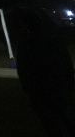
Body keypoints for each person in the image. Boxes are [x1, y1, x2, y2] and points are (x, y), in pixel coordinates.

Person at [12, 8, 75, 136]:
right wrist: (69, 82)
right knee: (66, 119)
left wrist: (27, 87)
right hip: (56, 87)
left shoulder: (25, 47)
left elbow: (23, 70)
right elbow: (67, 64)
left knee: (52, 122)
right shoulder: (54, 43)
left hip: (41, 89)